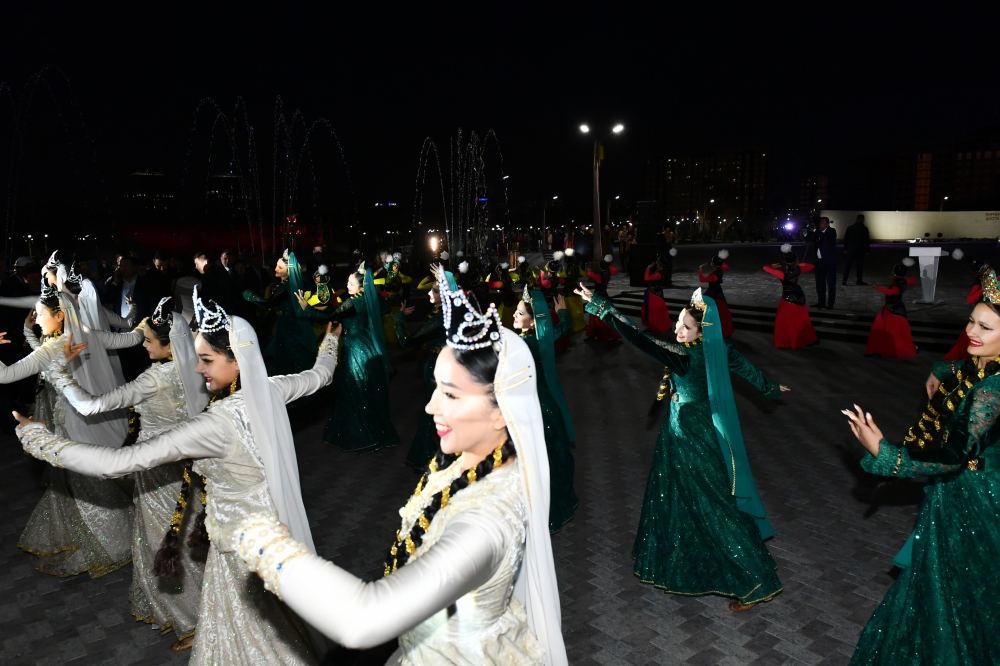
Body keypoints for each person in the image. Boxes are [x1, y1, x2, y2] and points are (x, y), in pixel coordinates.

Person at [231, 266, 567, 665]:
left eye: (451, 395)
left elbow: (363, 619)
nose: (429, 407)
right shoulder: (468, 465)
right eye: (435, 390)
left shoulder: (486, 521)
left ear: (501, 412)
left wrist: (262, 542)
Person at [15, 288, 340, 665]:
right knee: (262, 622)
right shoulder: (272, 388)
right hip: (272, 533)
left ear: (237, 361)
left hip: (238, 543)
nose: (197, 368)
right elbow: (321, 375)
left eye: (206, 360)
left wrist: (36, 438)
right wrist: (330, 342)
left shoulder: (216, 423)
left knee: (253, 630)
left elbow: (119, 463)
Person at [575, 282, 788, 611]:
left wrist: (605, 308)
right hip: (693, 432)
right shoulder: (716, 348)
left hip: (689, 439)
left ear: (700, 331)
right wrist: (770, 387)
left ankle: (755, 580)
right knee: (691, 500)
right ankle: (696, 561)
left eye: (685, 327)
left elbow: (640, 338)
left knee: (714, 507)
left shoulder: (683, 358)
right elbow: (744, 366)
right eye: (678, 323)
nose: (678, 330)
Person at [841, 265, 1000, 665]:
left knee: (958, 595)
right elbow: (961, 369)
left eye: (985, 327)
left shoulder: (993, 393)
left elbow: (954, 455)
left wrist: (887, 453)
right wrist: (941, 370)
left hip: (975, 504)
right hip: (955, 496)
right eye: (971, 321)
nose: (971, 332)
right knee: (937, 586)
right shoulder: (980, 368)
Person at [47, 296, 209, 651]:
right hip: (185, 468)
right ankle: (197, 613)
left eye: (149, 340)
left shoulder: (154, 379)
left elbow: (92, 405)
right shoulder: (197, 369)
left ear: (169, 344)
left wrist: (58, 372)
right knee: (185, 538)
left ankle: (193, 620)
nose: (144, 345)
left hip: (155, 470)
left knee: (166, 542)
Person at [2, 285, 144, 578]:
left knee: (85, 482)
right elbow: (131, 339)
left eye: (41, 315)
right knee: (95, 477)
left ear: (60, 315)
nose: (38, 320)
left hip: (72, 423)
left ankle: (113, 543)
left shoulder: (52, 348)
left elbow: (4, 376)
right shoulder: (87, 333)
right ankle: (121, 534)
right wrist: (145, 323)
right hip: (95, 417)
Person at [296, 262, 400, 451]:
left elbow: (331, 315)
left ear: (361, 286)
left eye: (351, 283)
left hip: (355, 350)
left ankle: (361, 435)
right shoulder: (369, 298)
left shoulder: (353, 302)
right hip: (367, 346)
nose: (348, 285)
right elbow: (382, 308)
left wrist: (306, 309)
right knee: (365, 389)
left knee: (354, 389)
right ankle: (375, 432)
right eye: (348, 282)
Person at [513, 286, 578, 531]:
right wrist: (563, 314)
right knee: (551, 459)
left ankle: (541, 510)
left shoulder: (524, 345)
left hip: (534, 410)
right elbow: (560, 330)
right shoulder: (541, 340)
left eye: (519, 314)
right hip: (547, 406)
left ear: (532, 321)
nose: (514, 317)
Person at [244, 249, 320, 380]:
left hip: (290, 328)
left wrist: (250, 296)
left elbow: (268, 304)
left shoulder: (286, 287)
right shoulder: (298, 282)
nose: (275, 268)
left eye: (280, 267)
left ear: (288, 270)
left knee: (289, 360)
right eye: (276, 265)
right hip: (297, 324)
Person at [763, 245, 818, 349]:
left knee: (785, 321)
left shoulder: (782, 273)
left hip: (788, 298)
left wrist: (777, 265)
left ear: (785, 261)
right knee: (802, 320)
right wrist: (797, 264)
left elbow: (765, 267)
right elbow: (811, 266)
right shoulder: (799, 268)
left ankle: (788, 342)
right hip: (800, 297)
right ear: (795, 260)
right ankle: (805, 339)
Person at [864, 259, 917, 359]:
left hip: (894, 311)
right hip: (890, 309)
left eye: (893, 271)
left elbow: (892, 292)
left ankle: (883, 350)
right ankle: (877, 349)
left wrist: (878, 287)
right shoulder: (901, 281)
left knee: (889, 332)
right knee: (879, 328)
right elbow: (911, 280)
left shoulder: (899, 282)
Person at [584, 255, 621, 343]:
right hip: (604, 294)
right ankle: (598, 334)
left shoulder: (600, 275)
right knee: (602, 315)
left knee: (596, 316)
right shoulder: (608, 271)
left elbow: (589, 274)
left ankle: (599, 334)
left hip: (599, 296)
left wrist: (589, 268)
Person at [698, 249, 734, 339]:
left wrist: (700, 269)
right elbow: (725, 266)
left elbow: (702, 279)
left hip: (713, 292)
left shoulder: (715, 274)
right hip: (717, 291)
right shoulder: (720, 269)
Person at [809, 217, 838, 309]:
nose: (820, 224)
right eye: (820, 222)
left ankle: (830, 305)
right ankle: (821, 303)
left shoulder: (832, 231)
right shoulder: (817, 232)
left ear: (827, 224)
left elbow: (826, 240)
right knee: (820, 284)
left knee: (831, 284)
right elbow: (809, 240)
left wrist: (816, 231)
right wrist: (809, 232)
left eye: (822, 222)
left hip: (829, 262)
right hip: (819, 262)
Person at [641, 256, 672, 336]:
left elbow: (647, 278)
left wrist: (648, 268)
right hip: (656, 292)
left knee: (654, 311)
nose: (656, 263)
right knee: (655, 311)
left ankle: (656, 327)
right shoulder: (660, 271)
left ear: (660, 264)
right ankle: (654, 326)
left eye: (658, 261)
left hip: (654, 294)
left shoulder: (659, 273)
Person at [842, 214, 870, 286]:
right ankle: (859, 280)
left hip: (851, 250)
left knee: (848, 265)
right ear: (862, 219)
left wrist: (845, 248)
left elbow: (846, 239)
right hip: (860, 250)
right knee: (859, 266)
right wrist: (867, 250)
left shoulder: (850, 228)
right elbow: (867, 240)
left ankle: (844, 280)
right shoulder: (864, 229)